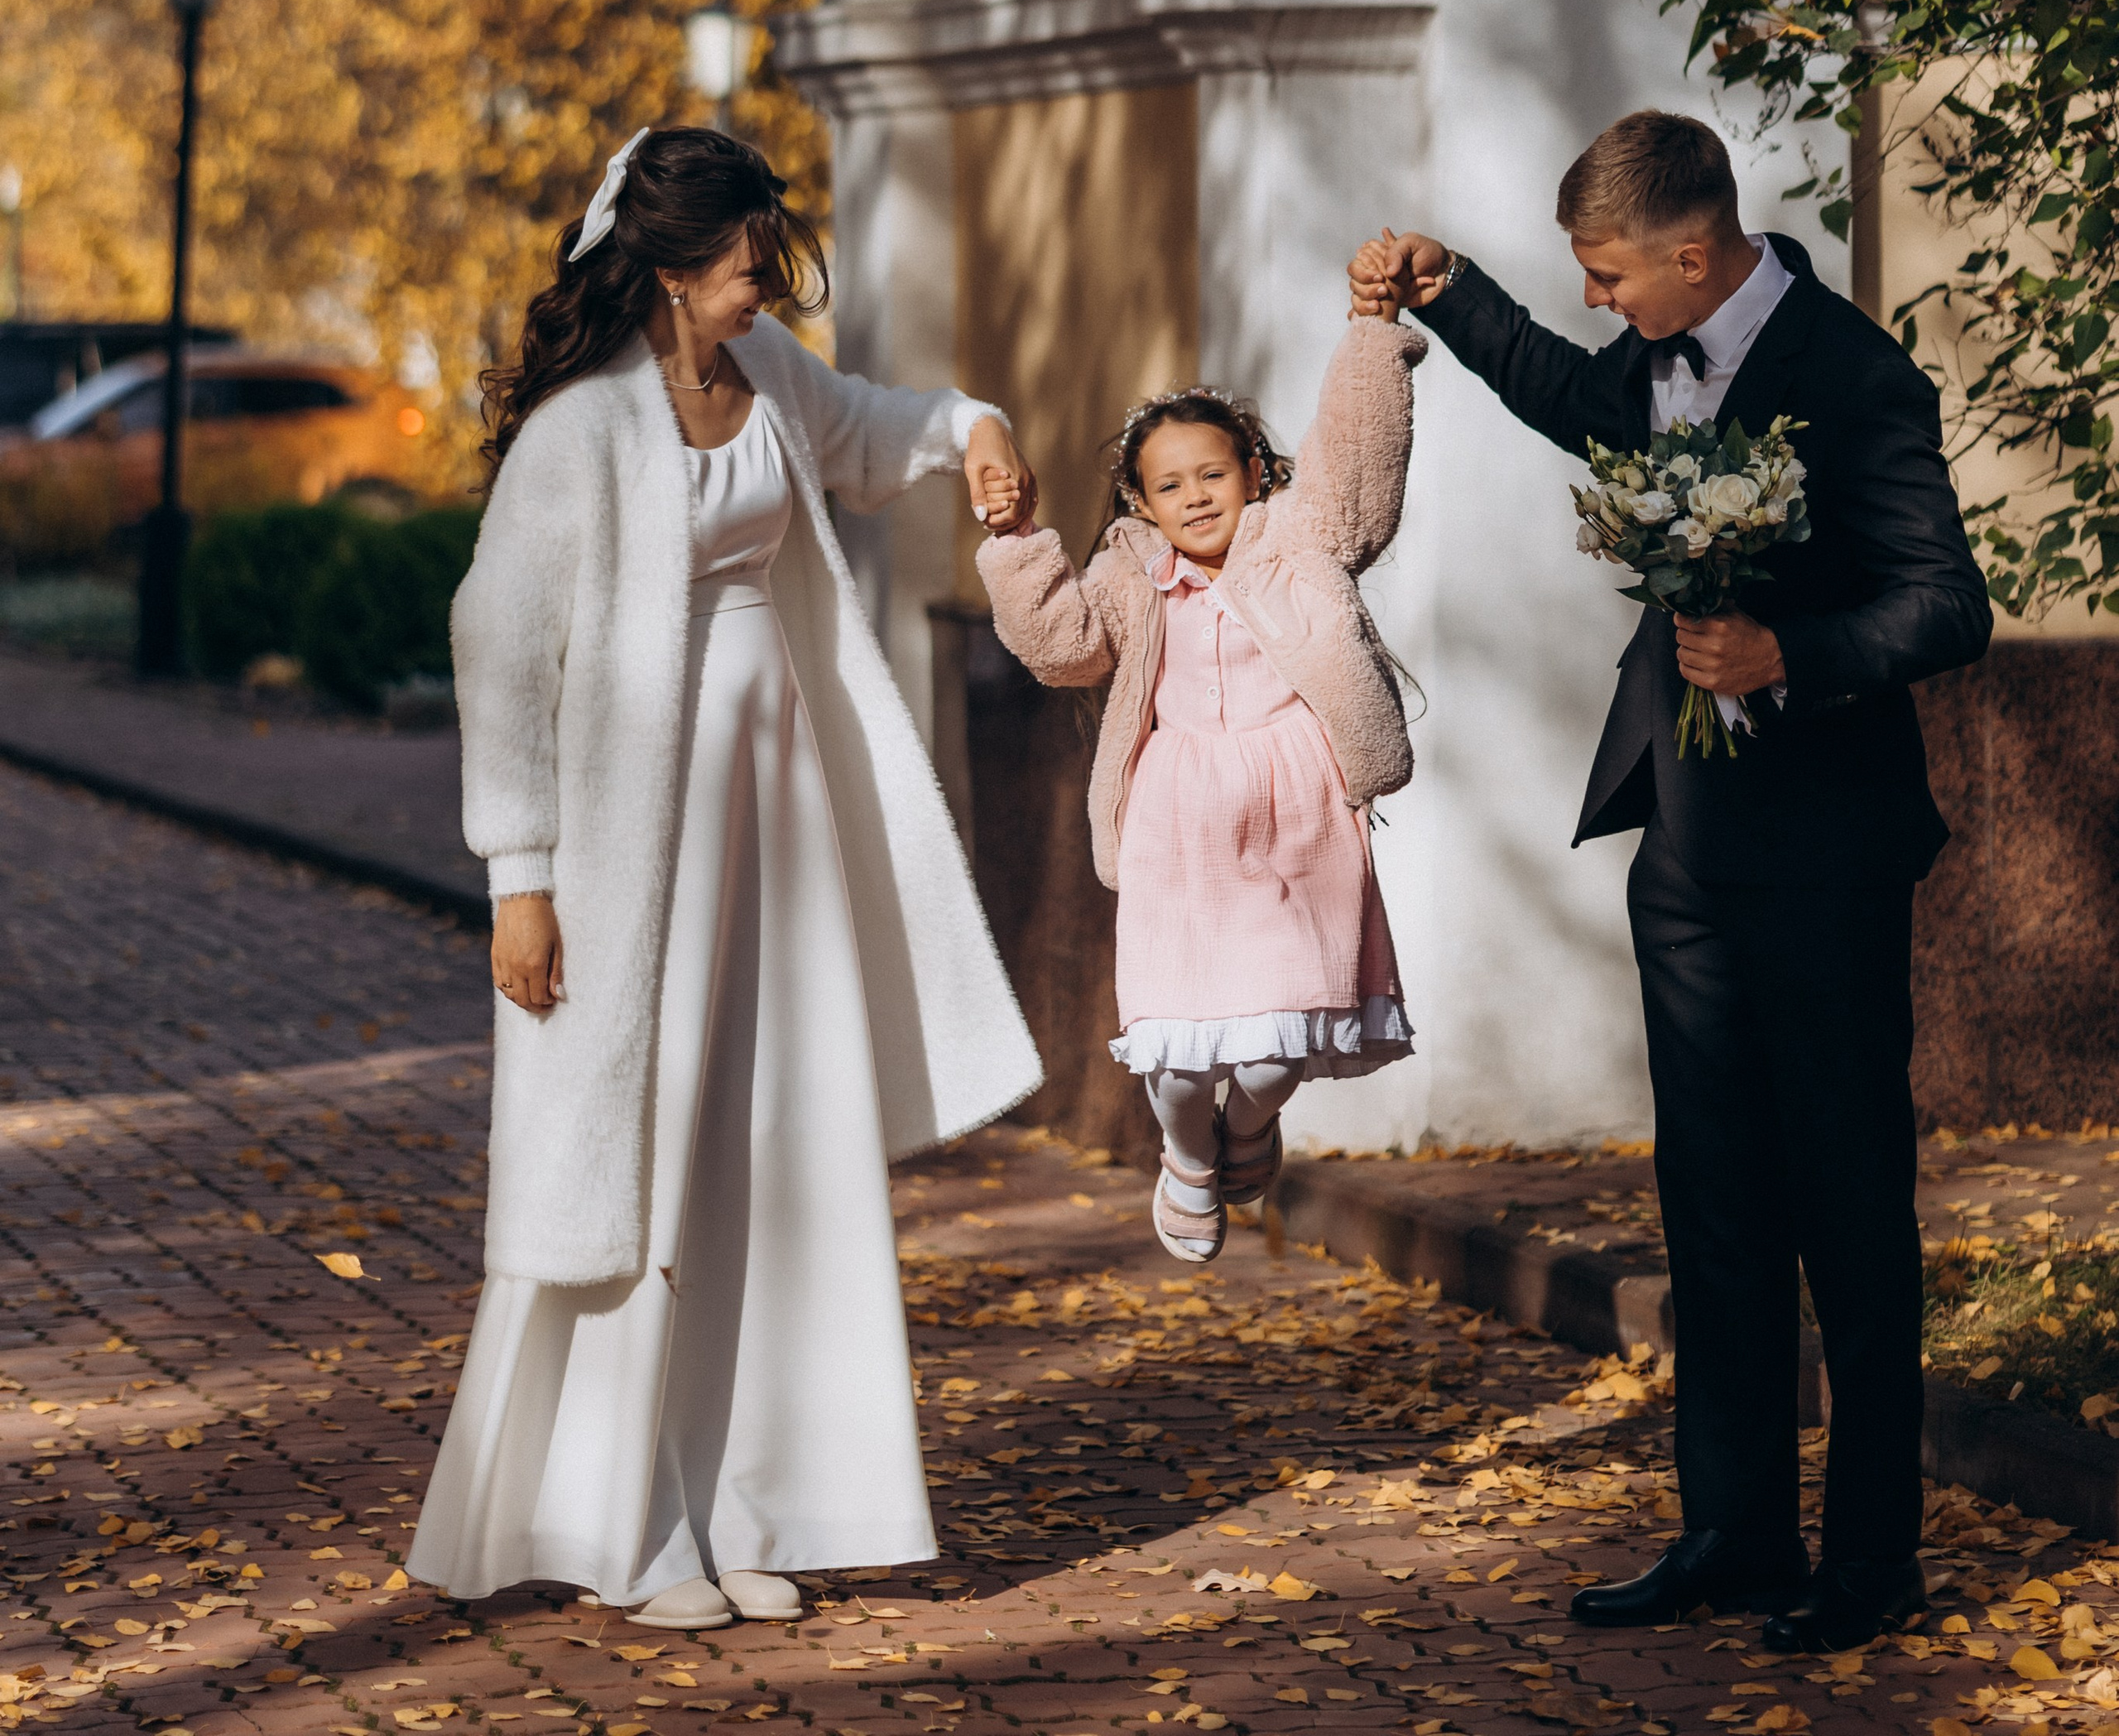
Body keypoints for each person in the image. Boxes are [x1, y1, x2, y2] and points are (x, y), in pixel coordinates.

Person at [1348, 109, 1992, 1655]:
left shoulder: (1854, 380)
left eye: (1609, 273)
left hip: (1829, 859)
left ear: (1694, 259)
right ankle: (1734, 1534)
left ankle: (1871, 1559)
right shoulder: (1656, 357)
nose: (1599, 299)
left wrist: (1798, 654)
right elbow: (1571, 393)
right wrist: (1448, 287)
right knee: (1710, 1206)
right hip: (1689, 852)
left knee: (1845, 1209)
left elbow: (1948, 603)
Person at [409, 123, 1042, 1628]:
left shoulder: (771, 388)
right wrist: (520, 875)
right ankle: (630, 1527)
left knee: (770, 1141)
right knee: (652, 1151)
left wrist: (976, 426)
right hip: (637, 847)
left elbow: (885, 430)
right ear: (675, 266)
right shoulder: (584, 433)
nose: (770, 279)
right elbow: (498, 651)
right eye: (749, 258)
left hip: (779, 817)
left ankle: (745, 1502)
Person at [974, 315, 1423, 1263]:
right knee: (1178, 1055)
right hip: (1178, 824)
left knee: (1270, 1048)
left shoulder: (1299, 540)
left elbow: (1356, 475)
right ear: (1139, 501)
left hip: (1297, 810)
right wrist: (1018, 542)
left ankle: (1250, 1131)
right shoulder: (1130, 577)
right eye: (1169, 484)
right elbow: (1064, 648)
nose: (1196, 496)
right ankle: (1186, 1153)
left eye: (1213, 474)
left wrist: (1372, 341)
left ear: (1254, 473)